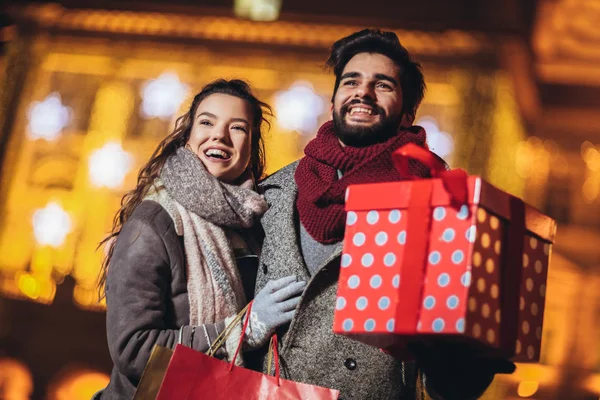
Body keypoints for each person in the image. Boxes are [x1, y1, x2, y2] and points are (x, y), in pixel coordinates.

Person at [252, 29, 515, 399]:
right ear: (333, 103)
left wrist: (458, 358)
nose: (363, 92)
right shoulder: (276, 191)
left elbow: (458, 370)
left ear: (407, 115)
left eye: (383, 85)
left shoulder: (442, 203)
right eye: (351, 81)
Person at [97, 79, 306, 399]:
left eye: (237, 127)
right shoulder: (155, 223)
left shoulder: (255, 222)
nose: (219, 135)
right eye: (207, 122)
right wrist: (246, 328)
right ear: (188, 136)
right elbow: (134, 349)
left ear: (251, 146)